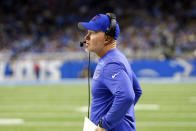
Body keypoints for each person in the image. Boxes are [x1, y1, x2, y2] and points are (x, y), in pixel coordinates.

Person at [78, 13, 142, 131]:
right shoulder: (116, 58)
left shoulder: (111, 63)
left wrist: (105, 125)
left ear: (107, 38)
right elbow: (137, 90)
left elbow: (127, 96)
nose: (86, 38)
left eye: (93, 33)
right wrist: (120, 115)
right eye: (87, 33)